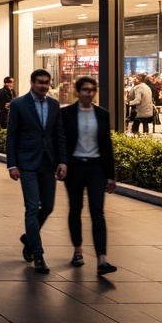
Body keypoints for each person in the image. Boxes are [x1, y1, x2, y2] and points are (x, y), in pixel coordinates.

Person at [6, 68, 68, 274]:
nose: (43, 86)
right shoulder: (18, 104)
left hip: (48, 163)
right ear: (32, 83)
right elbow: (12, 136)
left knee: (48, 207)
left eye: (47, 82)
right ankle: (38, 255)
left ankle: (28, 238)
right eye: (40, 82)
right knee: (32, 208)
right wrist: (12, 164)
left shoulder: (53, 104)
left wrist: (62, 161)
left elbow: (59, 135)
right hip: (27, 164)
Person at [62, 76, 117, 275]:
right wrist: (61, 164)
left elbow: (107, 146)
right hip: (75, 167)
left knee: (97, 211)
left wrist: (111, 175)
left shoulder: (102, 114)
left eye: (93, 90)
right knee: (75, 209)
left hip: (96, 168)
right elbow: (61, 141)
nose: (90, 93)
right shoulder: (66, 113)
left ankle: (102, 259)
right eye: (86, 90)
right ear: (77, 92)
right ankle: (78, 249)